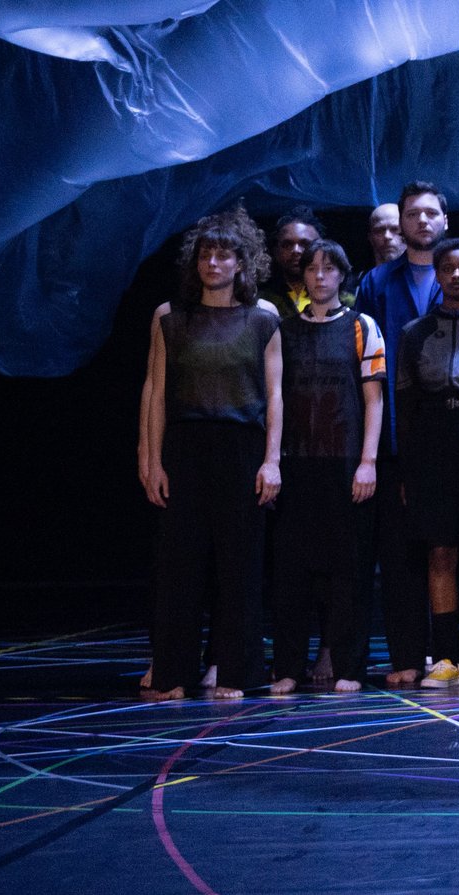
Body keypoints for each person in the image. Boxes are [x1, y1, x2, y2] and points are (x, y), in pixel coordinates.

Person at [352, 181, 459, 686]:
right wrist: (393, 457)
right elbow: (389, 382)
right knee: (426, 551)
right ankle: (427, 657)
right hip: (412, 442)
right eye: (410, 213)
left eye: (430, 213)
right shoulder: (379, 286)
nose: (420, 221)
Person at [137, 205, 283, 701]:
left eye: (224, 255)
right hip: (185, 445)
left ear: (242, 263)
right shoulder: (169, 317)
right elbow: (155, 391)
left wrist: (272, 460)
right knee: (180, 563)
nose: (214, 264)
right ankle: (172, 673)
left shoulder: (263, 317)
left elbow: (275, 394)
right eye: (206, 255)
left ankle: (235, 673)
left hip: (242, 446)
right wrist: (150, 459)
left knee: (240, 564)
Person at [270, 239, 385, 694]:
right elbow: (274, 399)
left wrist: (368, 462)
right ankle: (287, 668)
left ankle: (348, 666)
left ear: (342, 275)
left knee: (348, 570)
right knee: (291, 571)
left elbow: (374, 400)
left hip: (345, 463)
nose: (320, 276)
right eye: (312, 269)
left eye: (329, 268)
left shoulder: (362, 327)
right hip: (296, 464)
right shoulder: (282, 329)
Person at [399, 237, 459, 689]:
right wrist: (406, 469)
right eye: (448, 269)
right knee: (440, 549)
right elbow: (405, 405)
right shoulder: (413, 332)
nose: (456, 275)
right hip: (431, 448)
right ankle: (442, 657)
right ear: (437, 275)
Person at [262, 206, 328, 317]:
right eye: (287, 245)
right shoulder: (260, 300)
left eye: (305, 244)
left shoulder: (341, 298)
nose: (296, 251)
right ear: (276, 251)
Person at [367, 202, 405, 268]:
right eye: (379, 231)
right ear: (371, 238)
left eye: (395, 229)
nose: (387, 236)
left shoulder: (427, 277)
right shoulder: (361, 278)